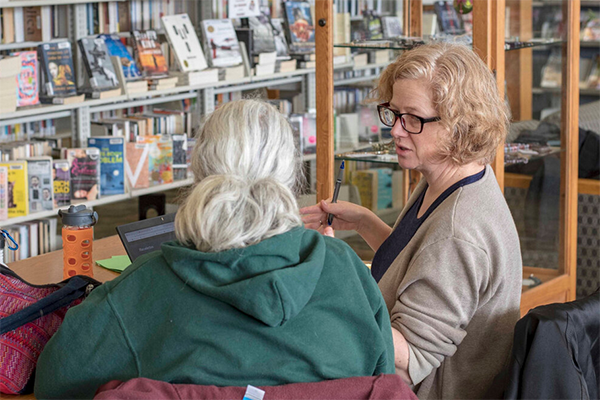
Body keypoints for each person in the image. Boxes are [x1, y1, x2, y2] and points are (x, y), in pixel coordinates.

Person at [34, 100, 395, 400]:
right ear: (291, 174)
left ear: (199, 173)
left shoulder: (141, 289)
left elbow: (56, 385)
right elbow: (383, 378)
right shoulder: (345, 270)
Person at [301, 43, 522, 400]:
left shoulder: (458, 232)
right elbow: (423, 265)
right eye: (394, 113)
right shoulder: (454, 177)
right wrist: (366, 223)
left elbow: (406, 363)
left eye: (414, 119)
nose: (397, 131)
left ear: (458, 124)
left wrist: (334, 279)